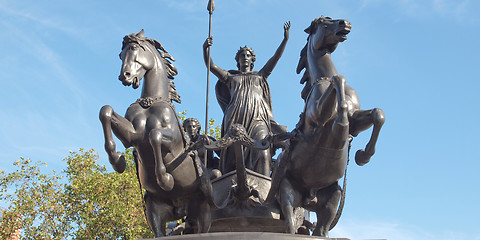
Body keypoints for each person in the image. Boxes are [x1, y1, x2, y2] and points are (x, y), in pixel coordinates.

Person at [202, 22, 290, 176]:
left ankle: (263, 191)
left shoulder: (260, 75)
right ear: (238, 59)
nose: (245, 57)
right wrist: (205, 49)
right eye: (242, 55)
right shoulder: (230, 77)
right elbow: (211, 65)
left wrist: (285, 39)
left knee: (263, 151)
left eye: (248, 55)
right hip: (235, 119)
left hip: (258, 119)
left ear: (252, 59)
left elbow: (275, 58)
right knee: (231, 159)